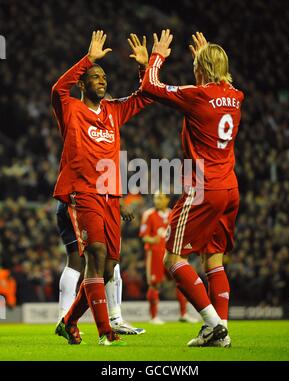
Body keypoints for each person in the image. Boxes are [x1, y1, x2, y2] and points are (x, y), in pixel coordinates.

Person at [141, 30, 244, 347]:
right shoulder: (236, 96)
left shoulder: (198, 96)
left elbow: (150, 86)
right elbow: (216, 89)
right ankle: (221, 331)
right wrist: (206, 58)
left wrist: (156, 58)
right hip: (230, 187)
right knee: (214, 259)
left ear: (201, 70)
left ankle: (213, 324)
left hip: (204, 187)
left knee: (172, 260)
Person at [52, 30, 152, 346]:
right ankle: (106, 332)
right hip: (83, 193)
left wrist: (146, 67)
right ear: (83, 83)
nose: (102, 81)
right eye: (95, 77)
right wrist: (88, 60)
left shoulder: (113, 111)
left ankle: (68, 321)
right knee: (94, 256)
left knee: (108, 269)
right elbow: (57, 89)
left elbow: (146, 96)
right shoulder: (70, 109)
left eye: (104, 77)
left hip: (111, 196)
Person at [56, 199, 145, 335]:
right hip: (91, 205)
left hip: (69, 202)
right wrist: (120, 205)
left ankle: (64, 317)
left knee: (75, 262)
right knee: (107, 261)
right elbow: (105, 183)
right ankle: (114, 319)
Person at [140, 191, 197, 324]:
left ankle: (184, 314)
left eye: (160, 198)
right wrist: (154, 239)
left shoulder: (173, 214)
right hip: (154, 254)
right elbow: (144, 236)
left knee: (181, 282)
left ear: (167, 200)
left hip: (170, 254)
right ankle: (153, 317)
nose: (157, 201)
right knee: (154, 284)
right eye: (155, 198)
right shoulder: (149, 215)